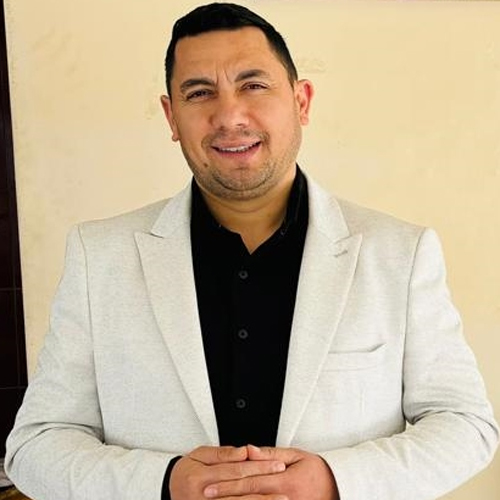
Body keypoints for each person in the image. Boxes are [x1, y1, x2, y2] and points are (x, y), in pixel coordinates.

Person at [5, 3, 498, 500]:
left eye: (254, 85)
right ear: (171, 117)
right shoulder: (99, 257)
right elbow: (36, 444)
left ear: (301, 101)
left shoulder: (401, 254)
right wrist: (165, 482)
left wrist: (335, 480)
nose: (229, 116)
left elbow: (465, 424)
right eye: (200, 93)